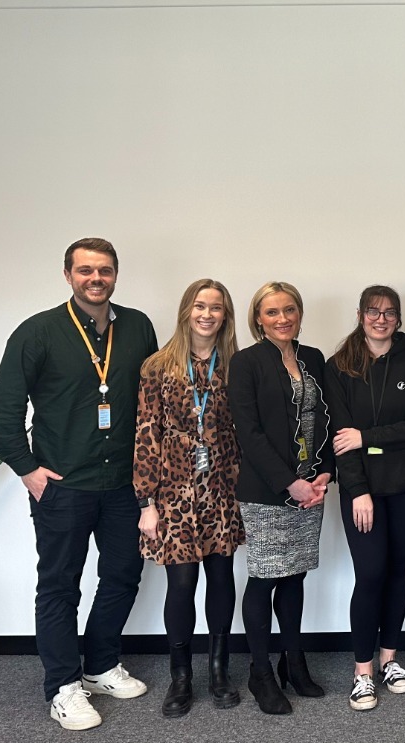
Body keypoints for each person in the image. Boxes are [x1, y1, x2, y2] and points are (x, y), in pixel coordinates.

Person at [0, 238, 158, 730]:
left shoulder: (138, 326)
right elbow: (3, 407)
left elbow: (152, 399)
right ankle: (64, 685)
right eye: (85, 270)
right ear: (68, 275)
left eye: (104, 270)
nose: (95, 278)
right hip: (63, 484)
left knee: (124, 576)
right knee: (60, 586)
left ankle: (101, 665)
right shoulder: (38, 332)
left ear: (115, 275)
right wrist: (27, 469)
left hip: (125, 484)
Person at [134, 279, 245, 718]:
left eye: (216, 308)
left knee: (221, 578)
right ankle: (181, 676)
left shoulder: (237, 364)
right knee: (181, 585)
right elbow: (145, 434)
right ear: (186, 310)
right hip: (173, 492)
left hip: (223, 489)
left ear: (226, 315)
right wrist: (147, 502)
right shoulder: (157, 366)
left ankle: (219, 670)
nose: (207, 314)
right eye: (200, 306)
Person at [327, 286, 405, 710]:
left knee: (397, 572)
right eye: (373, 311)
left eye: (389, 312)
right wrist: (358, 491)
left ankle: (390, 659)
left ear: (398, 317)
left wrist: (368, 437)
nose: (381, 319)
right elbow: (341, 438)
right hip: (364, 491)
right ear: (360, 314)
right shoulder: (340, 367)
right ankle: (362, 671)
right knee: (371, 574)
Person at [228, 281, 333, 715]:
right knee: (266, 577)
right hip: (268, 491)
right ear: (258, 319)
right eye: (272, 312)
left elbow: (331, 415)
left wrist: (326, 471)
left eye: (289, 310)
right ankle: (260, 672)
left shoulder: (313, 358)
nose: (282, 318)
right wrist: (289, 482)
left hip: (313, 488)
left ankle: (295, 663)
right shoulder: (246, 362)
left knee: (295, 575)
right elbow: (247, 432)